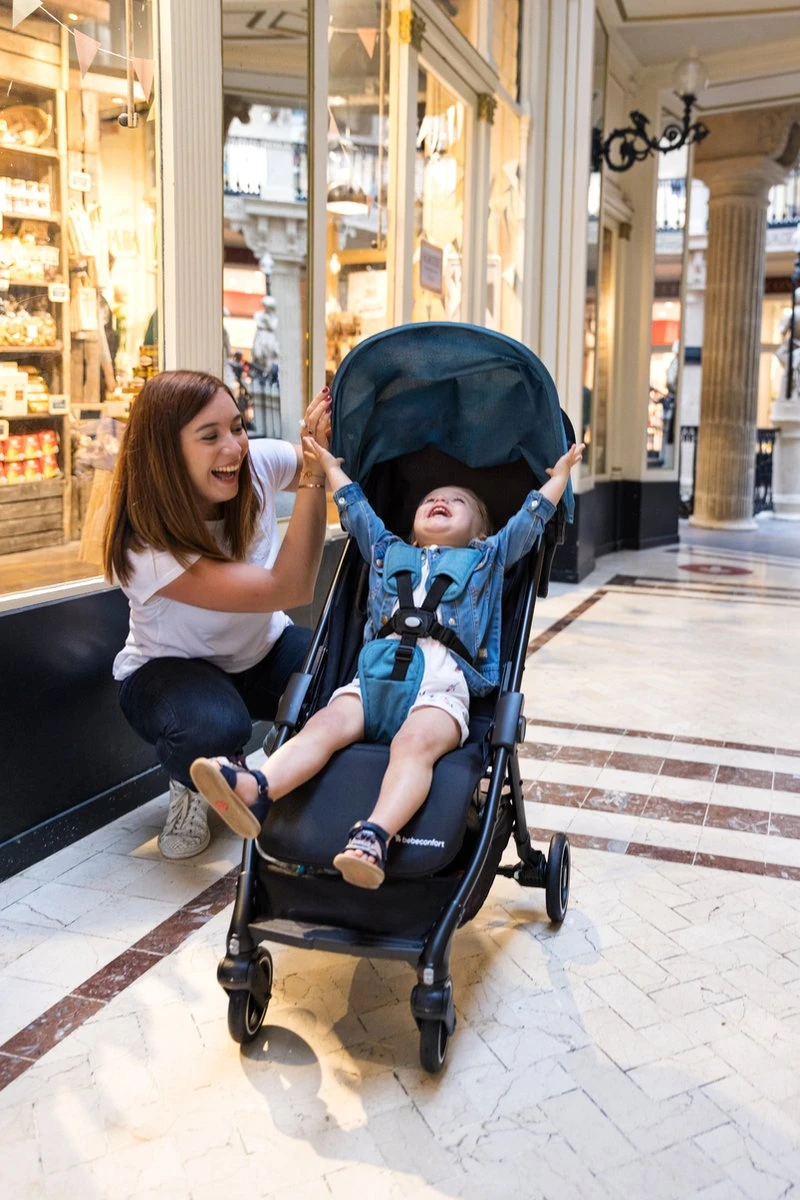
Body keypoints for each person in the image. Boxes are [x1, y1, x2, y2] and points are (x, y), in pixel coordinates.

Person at [190, 434, 584, 888]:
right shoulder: (387, 551)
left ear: (480, 533)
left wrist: (558, 479)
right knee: (322, 724)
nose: (440, 501)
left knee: (414, 746)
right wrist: (330, 466)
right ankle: (258, 788)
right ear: (412, 530)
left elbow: (526, 524)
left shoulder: (487, 559)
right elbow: (357, 511)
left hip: (439, 690)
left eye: (457, 501)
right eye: (430, 499)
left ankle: (374, 835)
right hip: (372, 682)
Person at [104, 369, 332, 860]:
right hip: (171, 672)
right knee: (213, 727)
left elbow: (332, 462)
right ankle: (189, 780)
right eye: (209, 437)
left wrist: (327, 438)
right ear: (166, 453)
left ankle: (279, 764)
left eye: (237, 427)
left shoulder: (256, 464)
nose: (234, 447)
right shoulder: (145, 547)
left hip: (261, 650)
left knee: (346, 680)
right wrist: (313, 476)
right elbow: (289, 588)